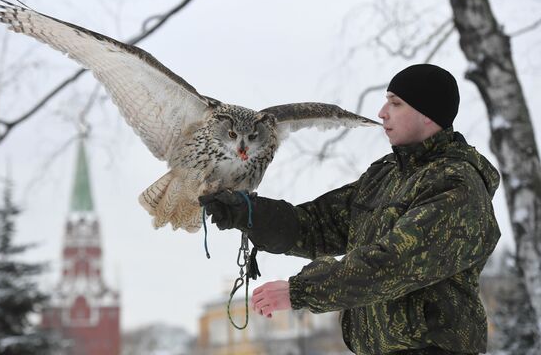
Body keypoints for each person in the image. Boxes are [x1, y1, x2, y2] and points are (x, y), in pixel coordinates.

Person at [199, 64, 501, 355]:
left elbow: (391, 264)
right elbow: (318, 225)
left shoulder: (456, 186)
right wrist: (249, 213)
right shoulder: (386, 175)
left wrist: (300, 291)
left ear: (427, 114)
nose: (382, 113)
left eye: (395, 104)